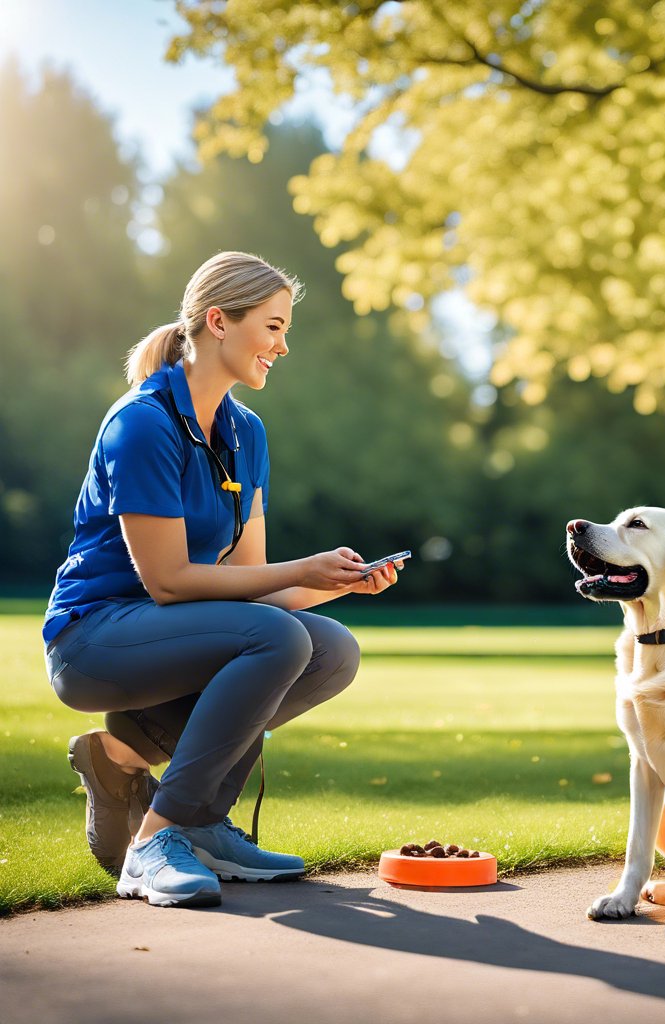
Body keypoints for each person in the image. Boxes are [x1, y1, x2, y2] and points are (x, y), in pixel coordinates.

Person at [42, 251, 404, 909]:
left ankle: (199, 818)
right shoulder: (143, 423)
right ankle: (154, 843)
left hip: (181, 636)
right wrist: (302, 567)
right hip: (94, 640)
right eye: (272, 327)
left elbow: (255, 589)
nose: (283, 345)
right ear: (218, 321)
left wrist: (341, 583)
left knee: (329, 649)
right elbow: (169, 583)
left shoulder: (246, 433)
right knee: (279, 639)